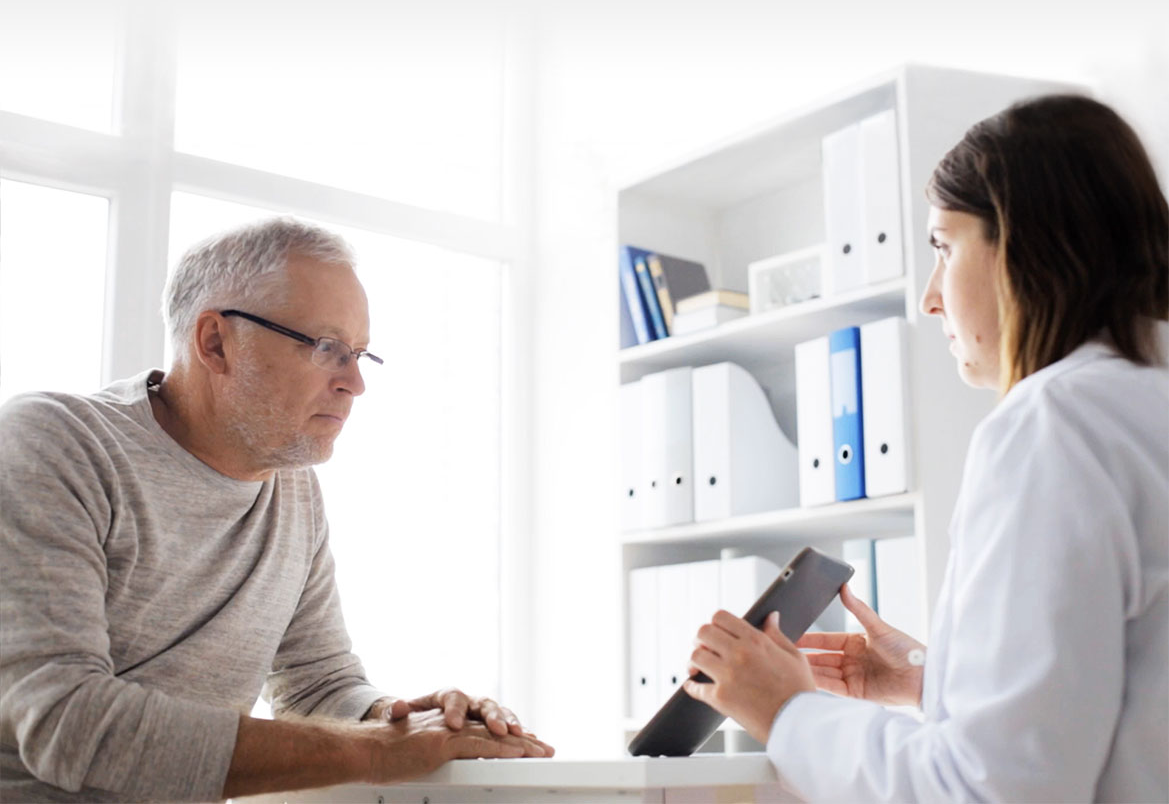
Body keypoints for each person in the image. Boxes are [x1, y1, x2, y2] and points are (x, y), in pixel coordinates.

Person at [683, 94, 1168, 802]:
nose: (928, 297)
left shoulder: (1051, 424)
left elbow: (990, 789)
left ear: (1026, 245)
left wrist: (784, 710)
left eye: (943, 246)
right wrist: (928, 677)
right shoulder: (1140, 410)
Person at [0, 217, 553, 803]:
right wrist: (378, 751)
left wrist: (401, 720)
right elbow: (65, 719)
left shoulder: (294, 490)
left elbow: (317, 686)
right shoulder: (54, 443)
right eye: (326, 348)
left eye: (361, 353)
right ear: (215, 342)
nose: (355, 384)